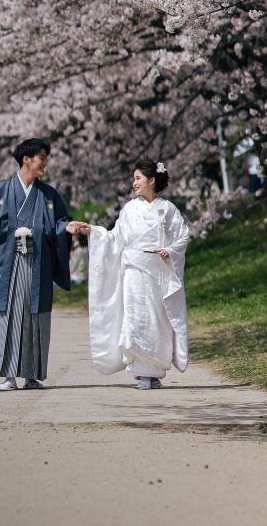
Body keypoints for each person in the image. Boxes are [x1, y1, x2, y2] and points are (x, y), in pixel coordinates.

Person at [67, 159, 189, 390]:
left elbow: (182, 237)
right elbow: (115, 239)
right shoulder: (129, 209)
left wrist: (169, 251)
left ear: (151, 180)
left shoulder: (168, 209)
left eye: (138, 178)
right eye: (133, 178)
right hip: (134, 271)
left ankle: (154, 371)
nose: (134, 183)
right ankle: (142, 373)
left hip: (157, 271)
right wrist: (94, 231)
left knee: (156, 320)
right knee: (135, 319)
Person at [0, 138, 73, 391]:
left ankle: (31, 375)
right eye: (41, 157)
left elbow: (59, 222)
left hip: (38, 264)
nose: (45, 163)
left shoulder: (48, 194)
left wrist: (66, 227)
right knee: (9, 315)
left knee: (35, 317)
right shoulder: (0, 192)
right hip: (9, 263)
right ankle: (8, 376)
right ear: (26, 159)